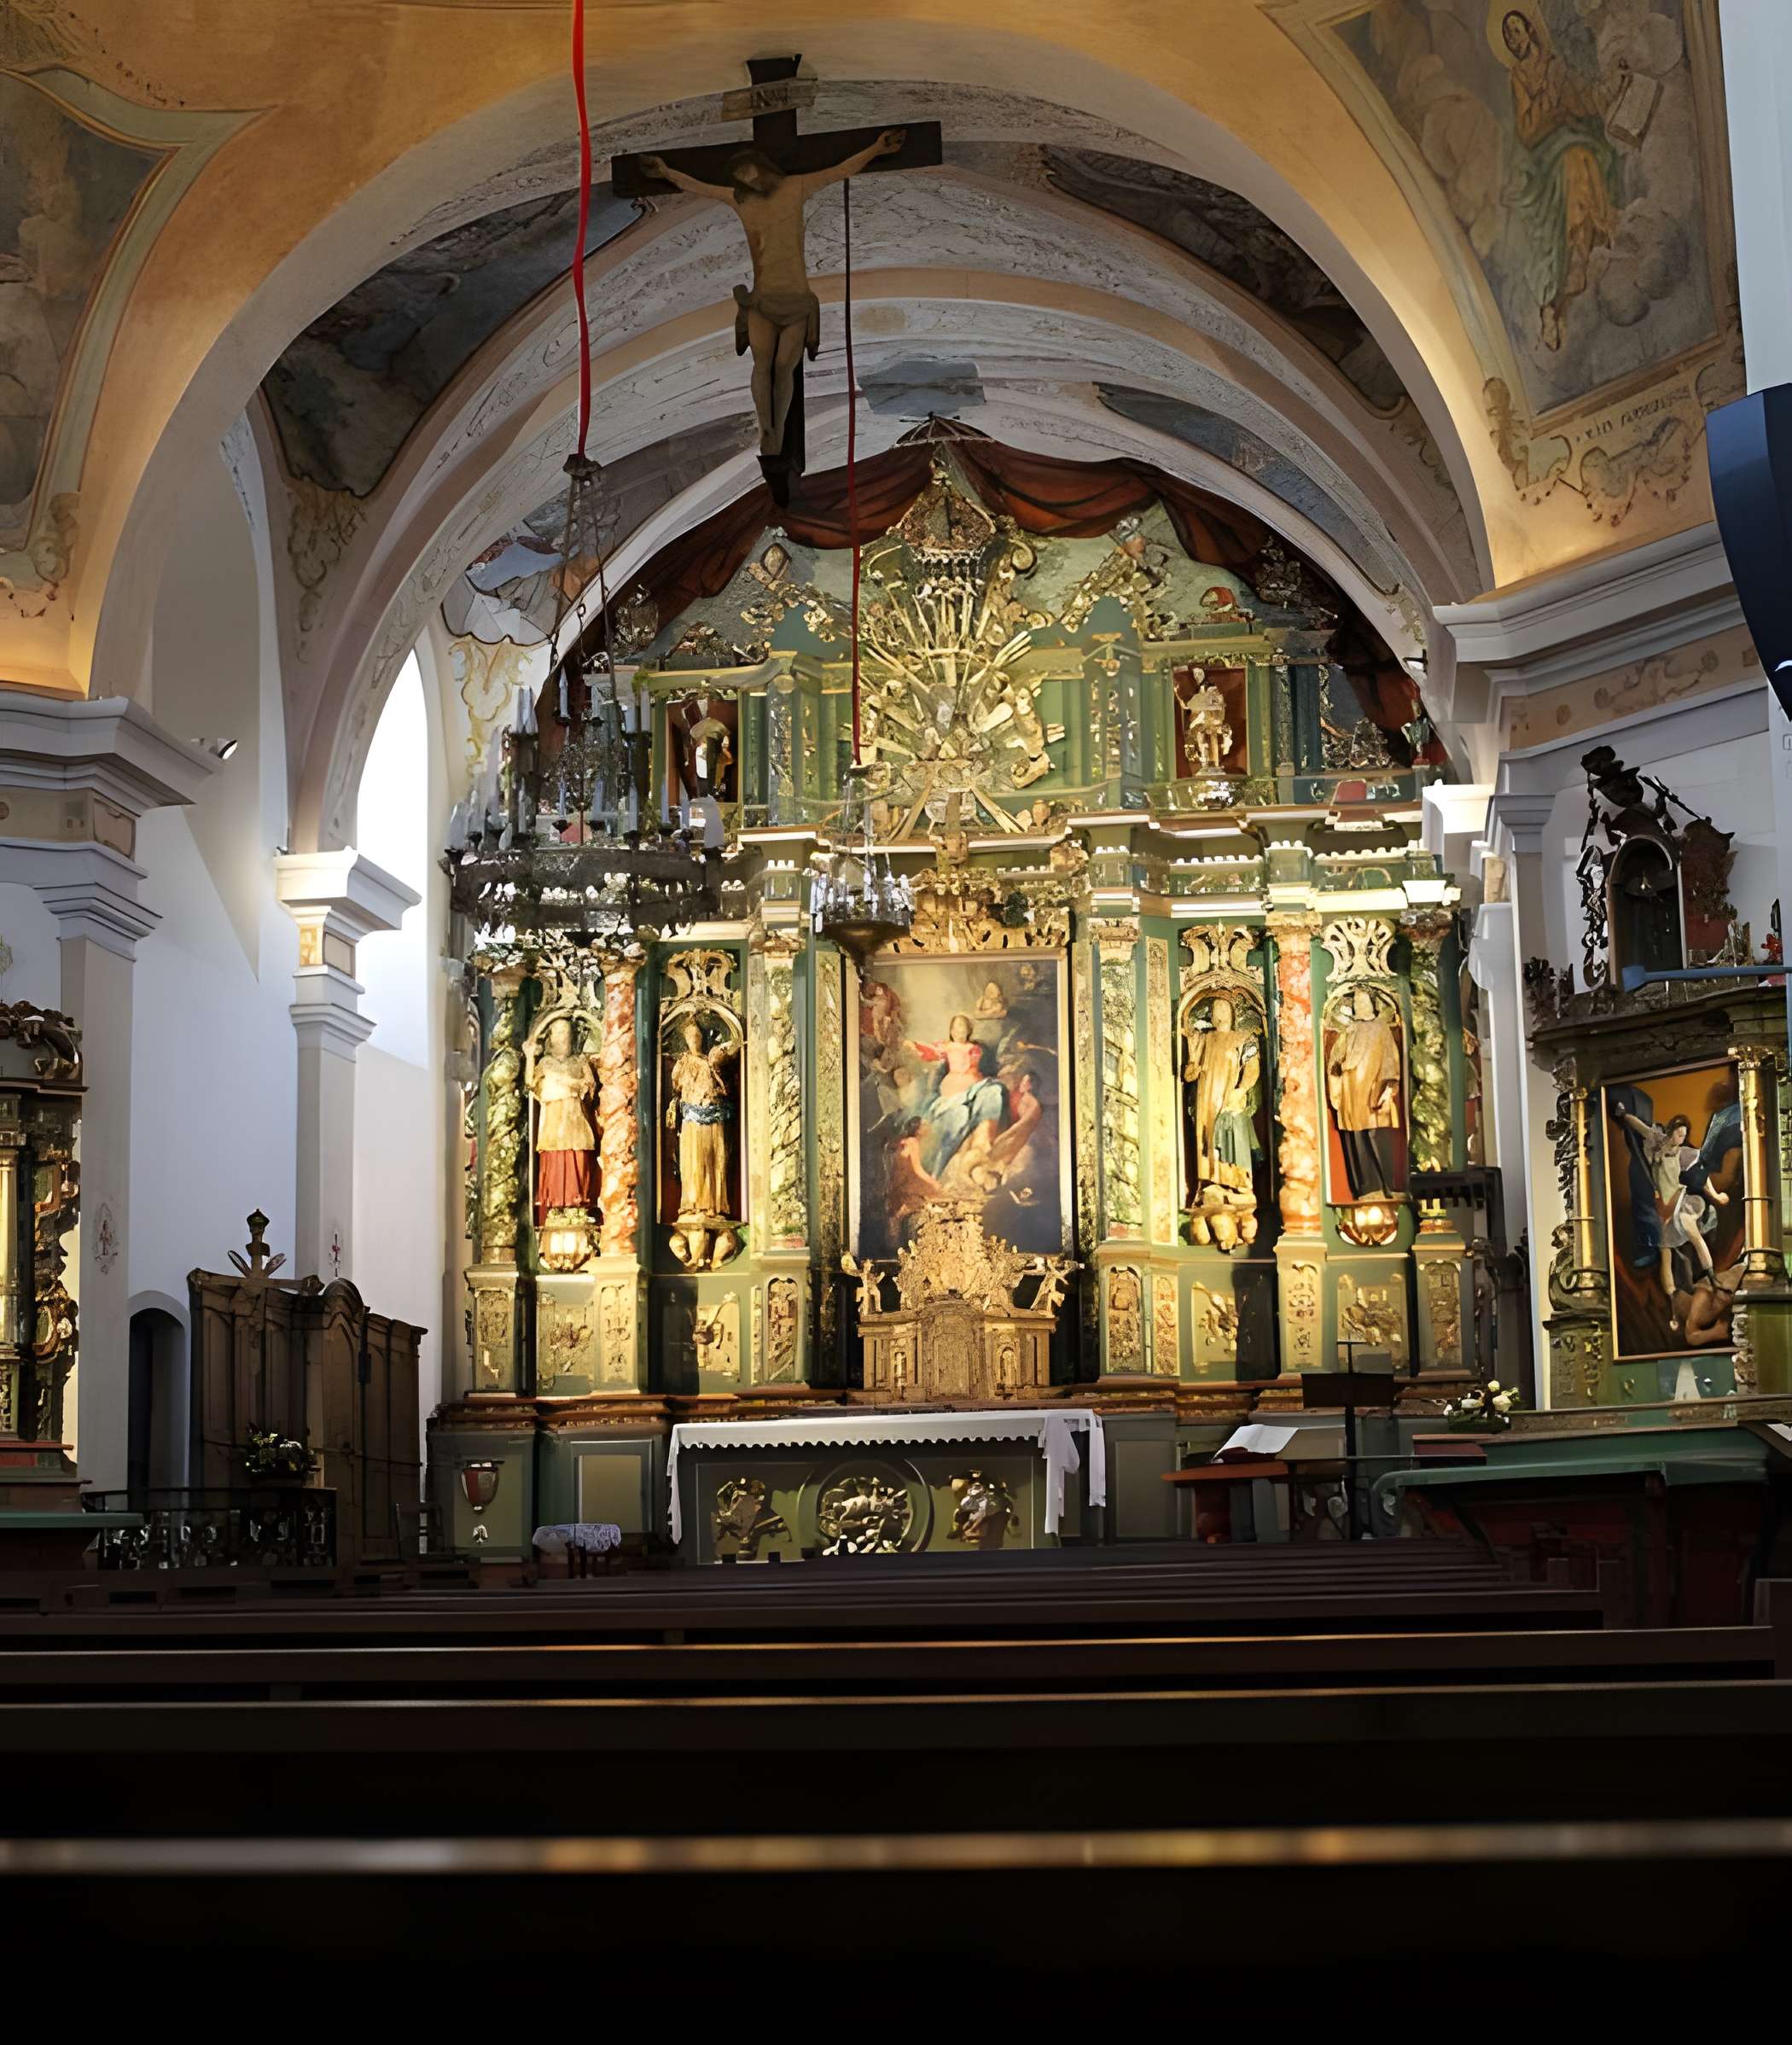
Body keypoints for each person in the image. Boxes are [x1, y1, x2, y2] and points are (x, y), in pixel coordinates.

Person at [639, 129, 907, 460]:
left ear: (762, 166)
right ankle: (767, 431)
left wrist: (876, 150)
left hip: (796, 302)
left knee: (783, 368)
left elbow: (840, 171)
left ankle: (777, 429)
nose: (748, 180)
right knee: (762, 364)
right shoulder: (741, 201)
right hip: (762, 302)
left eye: (749, 172)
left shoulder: (795, 187)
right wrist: (665, 172)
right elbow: (698, 187)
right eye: (740, 177)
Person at [1500, 7, 1622, 353]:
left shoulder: (1556, 67)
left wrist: (1614, 87)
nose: (1514, 37)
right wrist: (1547, 106)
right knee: (1574, 160)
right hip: (1549, 154)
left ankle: (1590, 247)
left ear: (1530, 30)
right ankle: (1576, 260)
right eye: (1508, 34)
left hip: (1575, 142)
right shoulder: (1519, 78)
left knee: (1588, 155)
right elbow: (1525, 131)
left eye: (1517, 29)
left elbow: (1584, 101)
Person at [1609, 1104, 1728, 1331]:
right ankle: (1672, 1301)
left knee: (1690, 1230)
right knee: (1665, 1253)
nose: (1681, 1138)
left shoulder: (1685, 1153)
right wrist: (1625, 1116)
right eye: (1679, 1133)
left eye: (1685, 1135)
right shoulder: (1657, 1141)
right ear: (1672, 1130)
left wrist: (1715, 1195)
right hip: (1662, 1206)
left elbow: (1702, 1173)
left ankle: (1712, 1277)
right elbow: (1640, 1127)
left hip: (1680, 1199)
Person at [1325, 988, 1402, 1199]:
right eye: (1357, 1003)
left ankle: (1386, 1185)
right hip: (1351, 1094)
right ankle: (1366, 1189)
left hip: (1374, 1090)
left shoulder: (1381, 1029)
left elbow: (1390, 1059)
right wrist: (1337, 1077)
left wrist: (1389, 1087)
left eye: (1364, 1002)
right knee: (1357, 1139)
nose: (1360, 1006)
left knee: (1377, 1135)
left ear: (1373, 1005)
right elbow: (1335, 1060)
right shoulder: (1349, 1032)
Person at [526, 1017, 596, 1223]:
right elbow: (530, 1082)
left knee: (577, 1159)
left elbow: (589, 1084)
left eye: (566, 1033)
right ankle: (556, 1208)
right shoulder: (545, 1063)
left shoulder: (579, 1061)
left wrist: (567, 1083)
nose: (563, 1038)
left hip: (575, 1116)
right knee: (555, 1160)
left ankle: (577, 1206)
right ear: (551, 1038)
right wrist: (530, 1056)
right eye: (558, 1033)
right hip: (554, 1120)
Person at [665, 1019, 737, 1221]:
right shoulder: (682, 1064)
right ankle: (693, 1203)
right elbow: (676, 1086)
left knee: (714, 1159)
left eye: (697, 1036)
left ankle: (714, 1205)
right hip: (692, 1118)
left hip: (713, 1115)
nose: (694, 1040)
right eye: (690, 1037)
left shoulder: (710, 1062)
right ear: (686, 1040)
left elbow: (723, 1086)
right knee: (694, 1162)